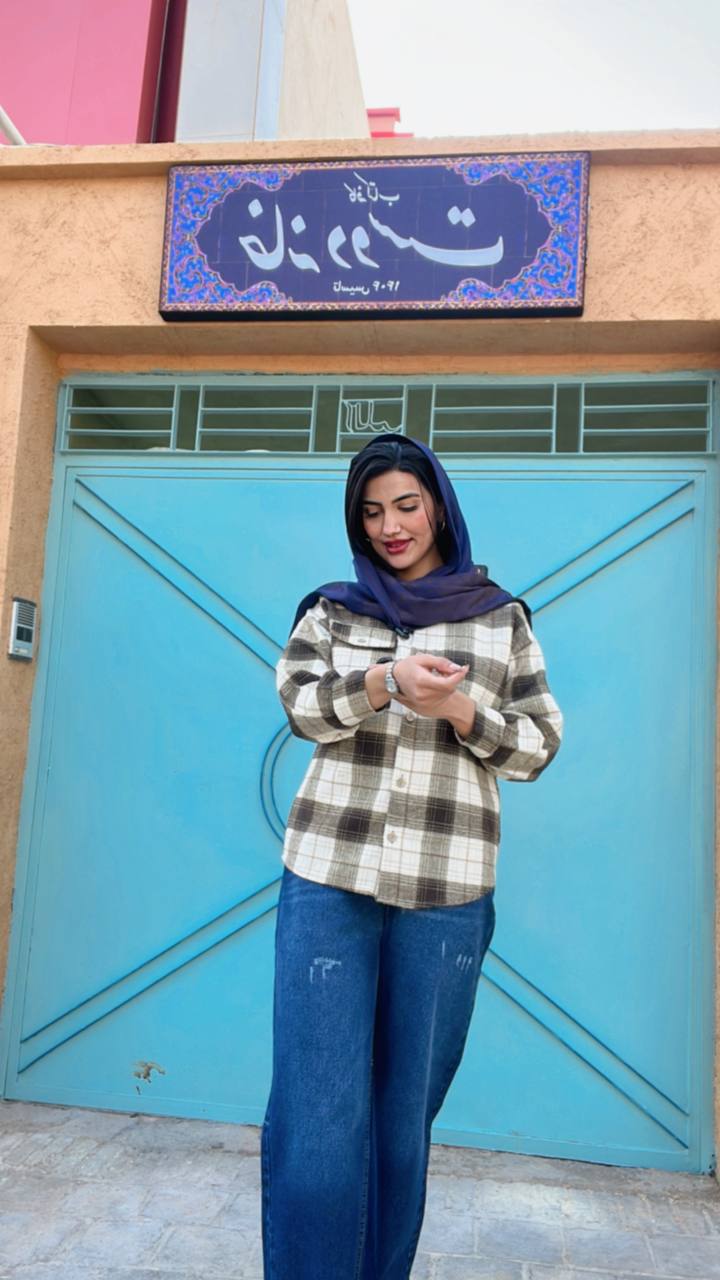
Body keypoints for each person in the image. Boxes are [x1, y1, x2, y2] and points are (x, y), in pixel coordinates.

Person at [260, 434, 563, 1280]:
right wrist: (384, 683)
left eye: (405, 505)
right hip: (330, 880)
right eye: (371, 511)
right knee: (317, 1121)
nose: (390, 526)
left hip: (447, 892)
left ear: (438, 507)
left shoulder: (499, 618)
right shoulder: (332, 612)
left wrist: (462, 710)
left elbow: (538, 746)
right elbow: (301, 709)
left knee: (401, 1124)